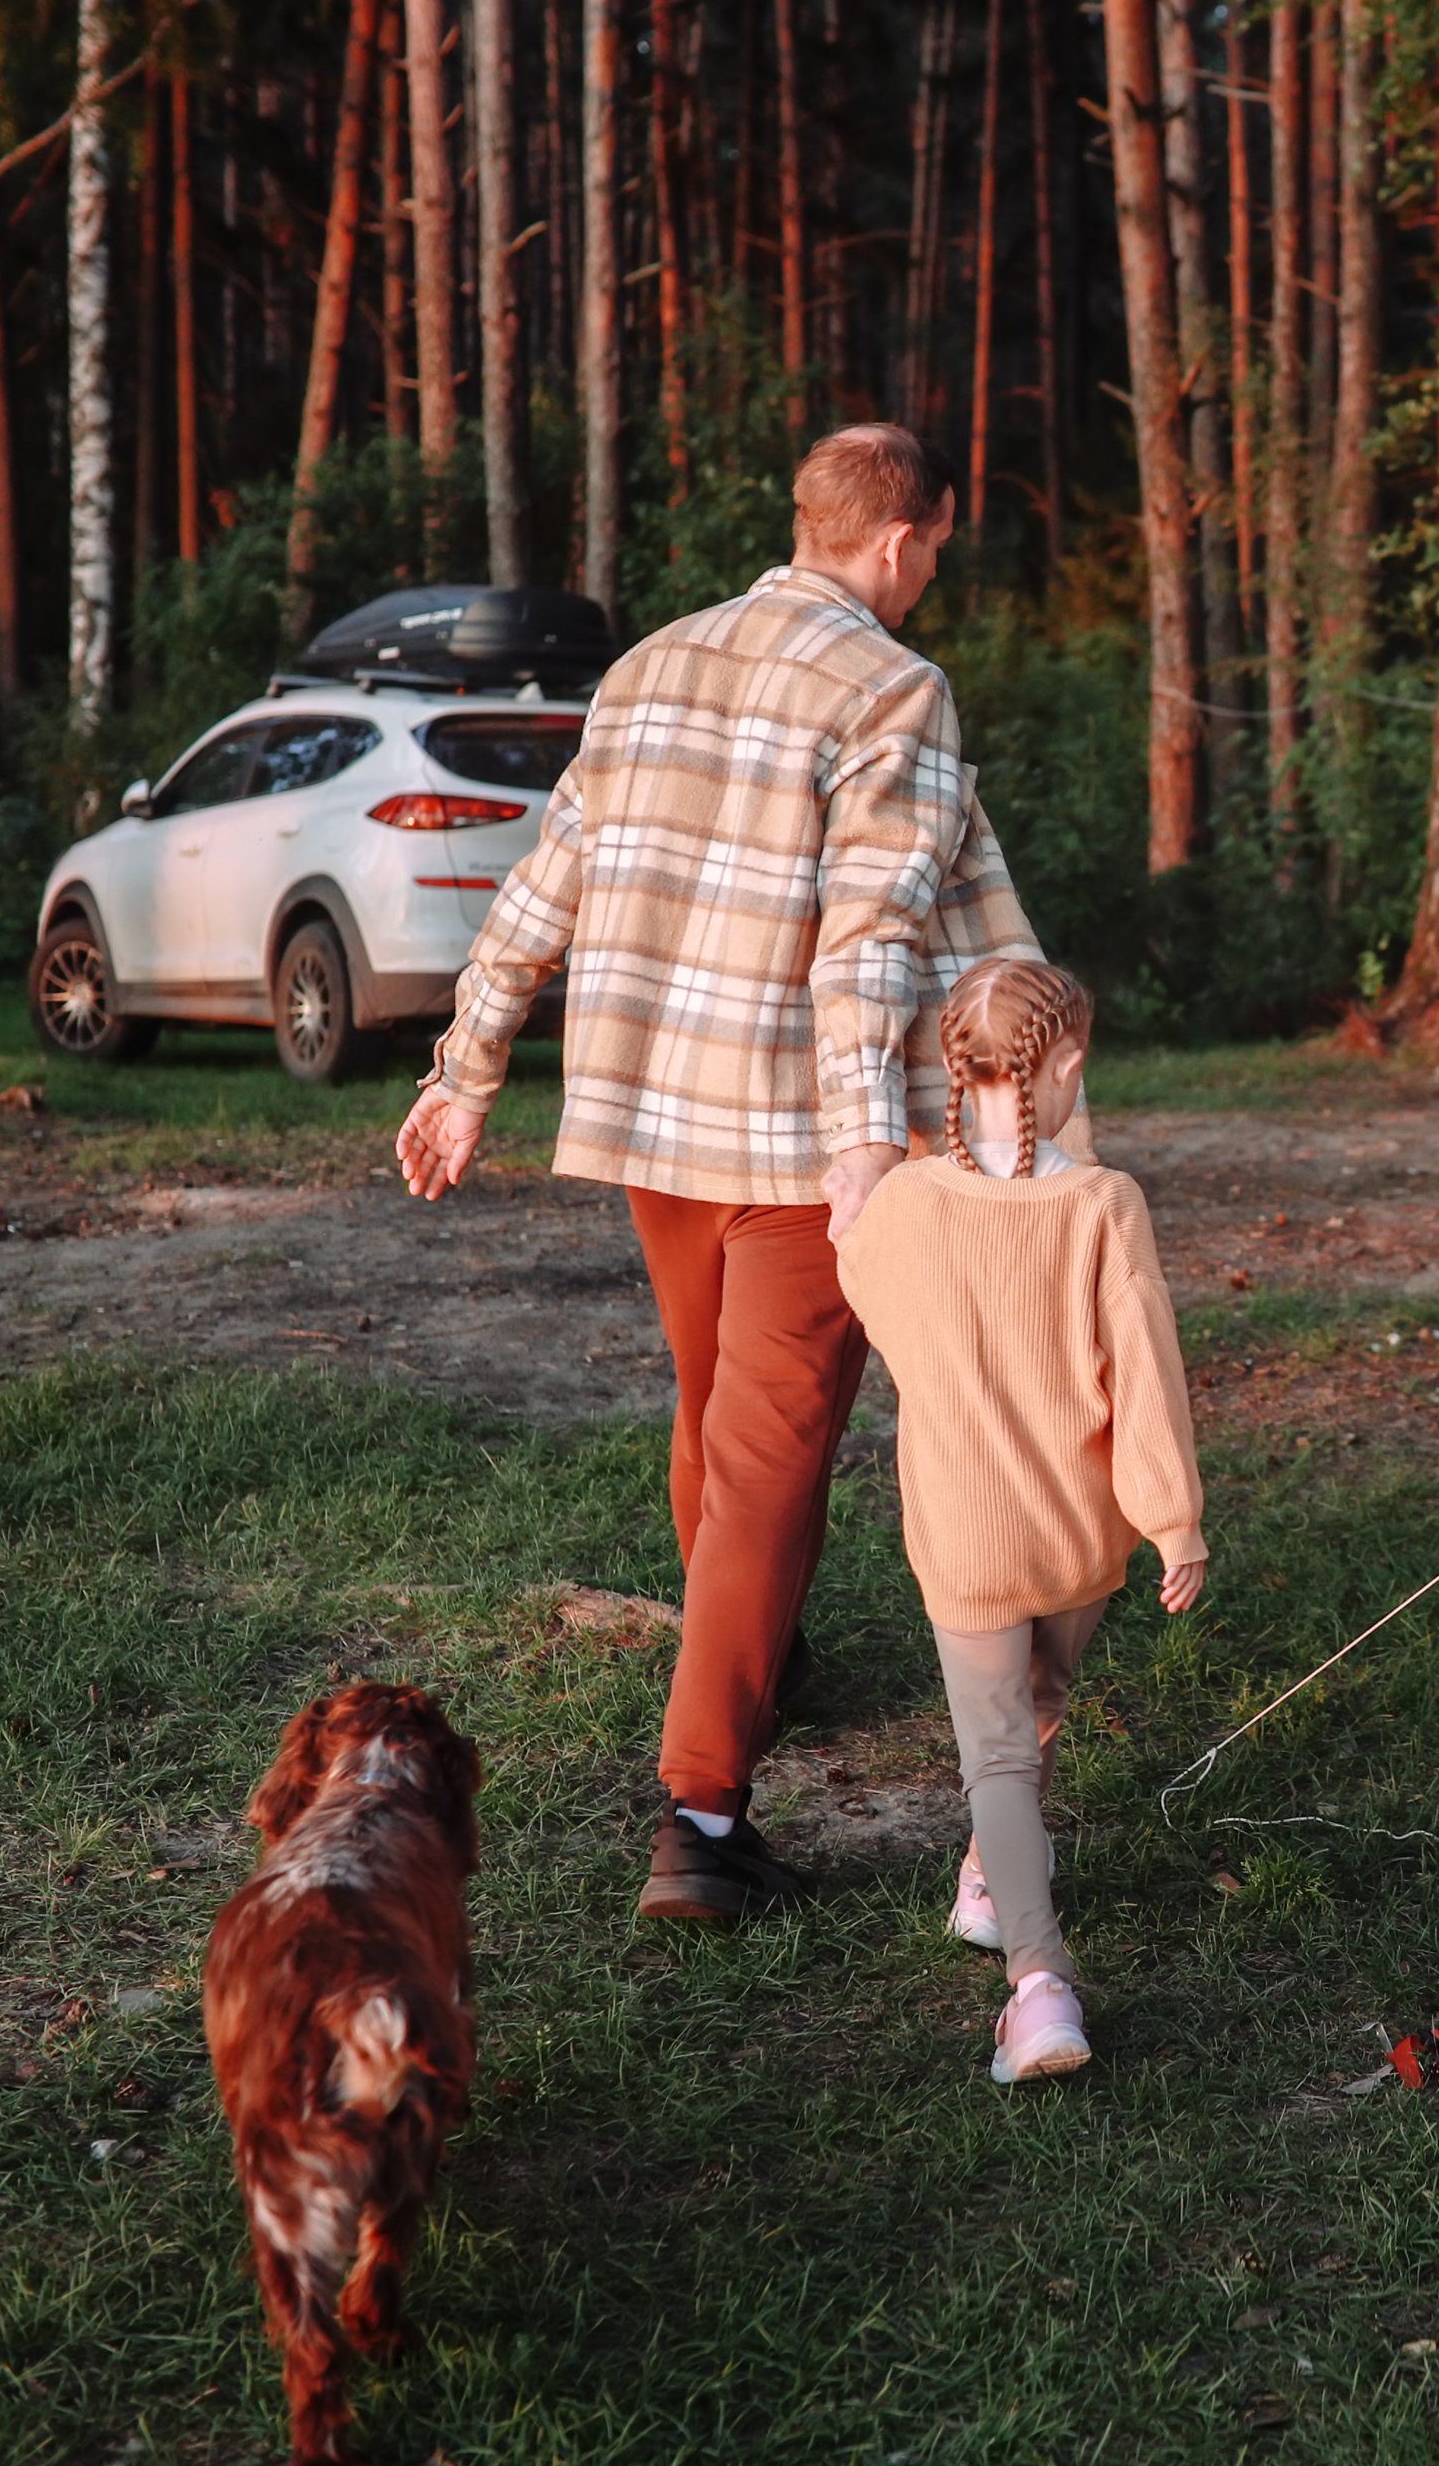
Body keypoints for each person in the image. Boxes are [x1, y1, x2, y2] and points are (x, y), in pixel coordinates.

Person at [394, 421, 1049, 1922]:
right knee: (770, 1452)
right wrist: (870, 1145)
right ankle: (697, 1816)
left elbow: (545, 876)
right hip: (795, 1137)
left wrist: (465, 1069)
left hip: (653, 1119)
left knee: (713, 1407)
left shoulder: (650, 666)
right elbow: (875, 933)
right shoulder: (896, 684)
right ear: (897, 540)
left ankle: (758, 1654)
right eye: (938, 545)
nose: (935, 569)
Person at [835, 958, 1205, 2084]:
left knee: (995, 1752)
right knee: (1041, 1703)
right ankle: (997, 1882)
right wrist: (1173, 1520)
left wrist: (857, 1213)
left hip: (966, 1532)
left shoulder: (904, 1203)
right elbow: (1146, 1375)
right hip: (1081, 1534)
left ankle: (1037, 1983)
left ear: (951, 1067)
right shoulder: (1103, 1203)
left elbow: (870, 1292)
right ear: (1069, 1068)